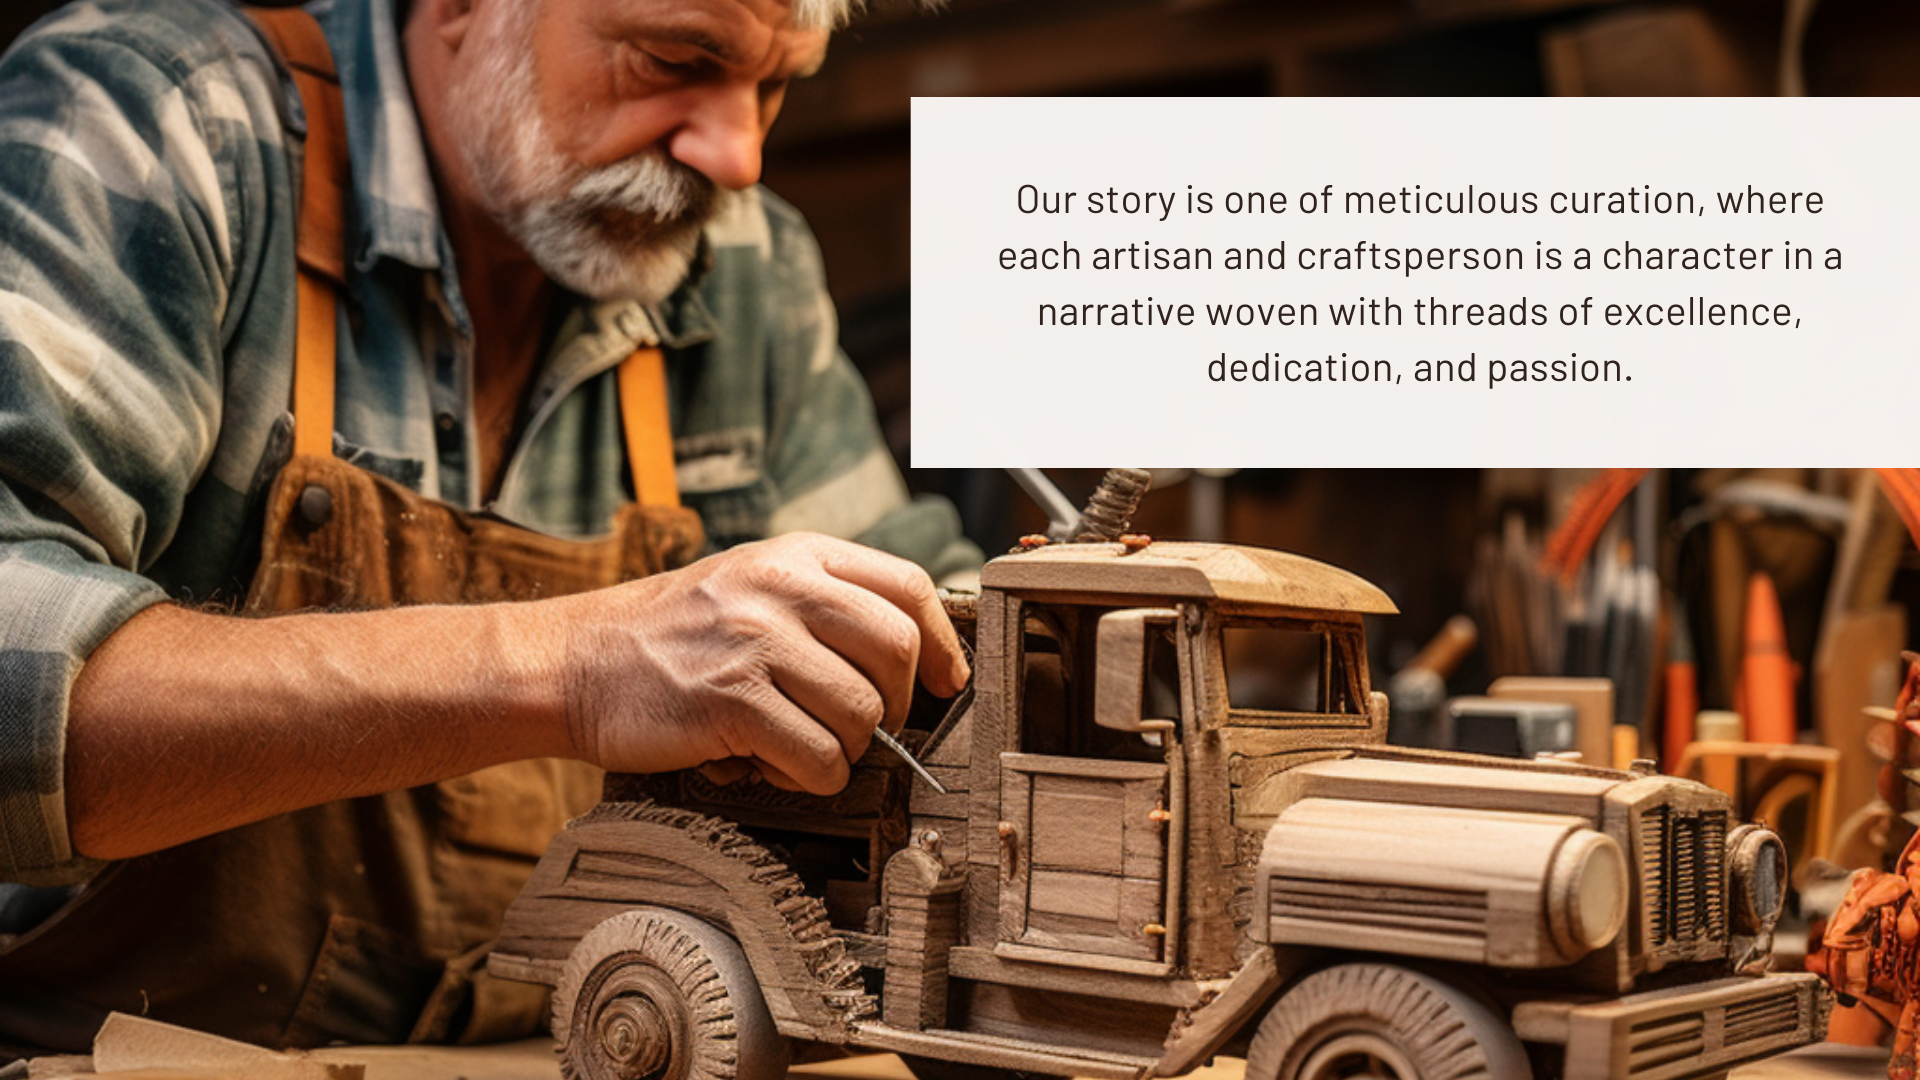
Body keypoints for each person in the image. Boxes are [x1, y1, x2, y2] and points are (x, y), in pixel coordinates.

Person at [0, 0, 976, 1054]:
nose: (738, 156)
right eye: (675, 59)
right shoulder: (166, 122)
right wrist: (581, 663)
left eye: (775, 83)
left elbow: (932, 661)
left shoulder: (738, 260)